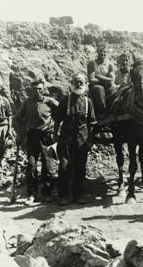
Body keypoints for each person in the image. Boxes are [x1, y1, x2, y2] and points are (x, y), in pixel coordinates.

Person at [53, 73, 97, 205]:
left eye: (81, 83)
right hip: (66, 139)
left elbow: (92, 123)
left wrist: (90, 140)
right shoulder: (65, 100)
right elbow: (57, 120)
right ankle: (63, 196)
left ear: (85, 85)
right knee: (64, 167)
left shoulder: (88, 102)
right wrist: (56, 134)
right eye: (76, 82)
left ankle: (79, 195)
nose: (78, 85)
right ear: (71, 84)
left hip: (82, 140)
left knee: (80, 168)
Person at [15, 79, 59, 205]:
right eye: (35, 89)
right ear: (31, 90)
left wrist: (57, 129)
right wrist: (20, 134)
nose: (37, 91)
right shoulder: (27, 103)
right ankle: (32, 194)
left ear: (43, 89)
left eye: (40, 89)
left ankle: (47, 193)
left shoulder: (50, 102)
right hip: (32, 136)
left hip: (47, 137)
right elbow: (18, 118)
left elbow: (61, 113)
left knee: (48, 165)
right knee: (31, 165)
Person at [87, 43, 115, 118]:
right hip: (94, 89)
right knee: (99, 88)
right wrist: (104, 80)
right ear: (97, 52)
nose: (103, 53)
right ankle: (102, 113)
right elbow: (91, 79)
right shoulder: (91, 63)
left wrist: (98, 76)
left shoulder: (110, 65)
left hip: (108, 87)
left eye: (104, 51)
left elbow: (112, 79)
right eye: (100, 51)